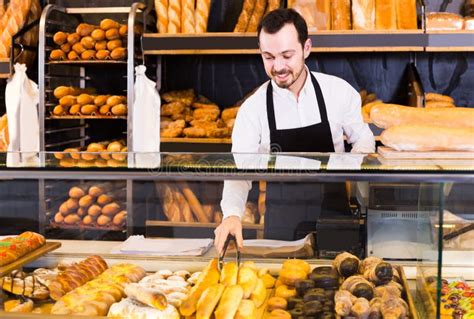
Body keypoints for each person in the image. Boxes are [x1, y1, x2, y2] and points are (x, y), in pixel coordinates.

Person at [214, 9, 375, 254]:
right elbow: (239, 172)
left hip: (335, 218)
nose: (278, 66)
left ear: (306, 48)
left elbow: (362, 137)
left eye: (286, 55)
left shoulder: (338, 93)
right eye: (268, 57)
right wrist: (231, 215)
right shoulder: (253, 109)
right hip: (282, 225)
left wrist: (352, 165)